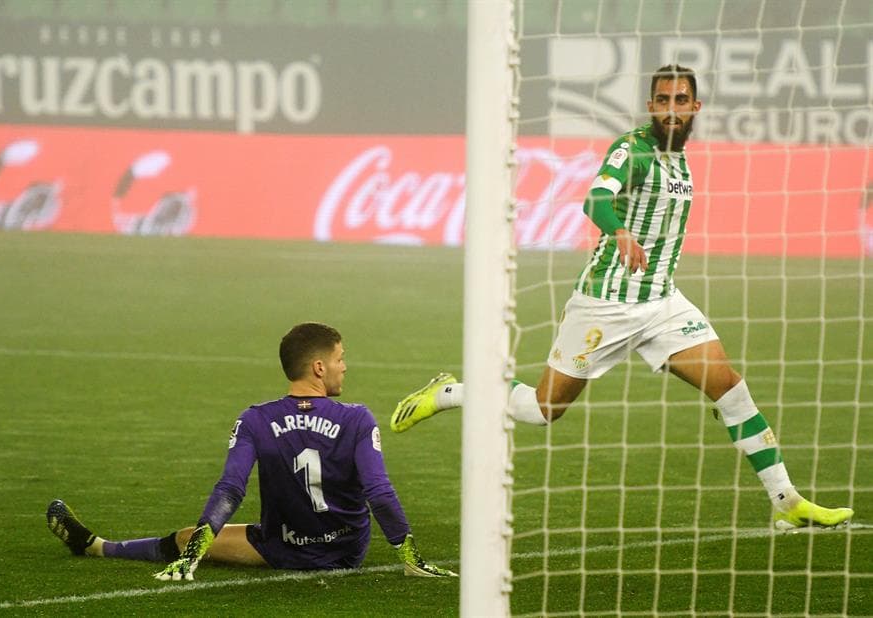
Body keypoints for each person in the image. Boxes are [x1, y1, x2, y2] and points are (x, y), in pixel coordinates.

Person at [390, 65, 854, 531]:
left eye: (681, 99)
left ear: (695, 107)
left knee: (730, 386)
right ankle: (450, 392)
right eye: (663, 99)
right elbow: (595, 200)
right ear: (651, 105)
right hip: (606, 304)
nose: (671, 108)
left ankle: (786, 501)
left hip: (662, 303)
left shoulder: (680, 159)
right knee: (543, 409)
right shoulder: (632, 151)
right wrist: (621, 232)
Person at [47, 322, 456, 580]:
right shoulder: (357, 418)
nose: (344, 367)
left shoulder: (255, 419)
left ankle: (96, 547)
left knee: (189, 537)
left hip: (282, 550)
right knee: (201, 537)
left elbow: (230, 489)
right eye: (339, 359)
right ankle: (97, 546)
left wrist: (194, 554)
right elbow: (379, 493)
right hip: (346, 551)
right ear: (318, 368)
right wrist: (411, 556)